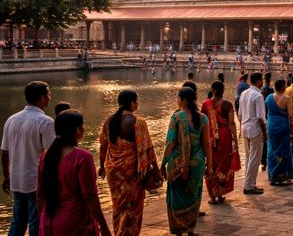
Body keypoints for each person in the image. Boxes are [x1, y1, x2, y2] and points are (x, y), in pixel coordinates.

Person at [37, 110, 112, 236]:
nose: (84, 128)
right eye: (82, 125)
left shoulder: (46, 155)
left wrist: (43, 220)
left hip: (49, 220)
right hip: (75, 222)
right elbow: (90, 196)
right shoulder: (82, 157)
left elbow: (40, 194)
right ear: (77, 130)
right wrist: (103, 226)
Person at [99, 90, 159, 235]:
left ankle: (119, 230)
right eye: (136, 101)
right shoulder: (138, 122)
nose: (138, 103)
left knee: (118, 206)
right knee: (132, 208)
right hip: (131, 172)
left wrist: (101, 166)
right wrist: (156, 168)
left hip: (113, 172)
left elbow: (103, 146)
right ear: (132, 103)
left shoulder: (109, 121)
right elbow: (148, 149)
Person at [2, 81, 55, 236]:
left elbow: (5, 153)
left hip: (16, 179)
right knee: (36, 222)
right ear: (42, 98)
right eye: (48, 94)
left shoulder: (11, 119)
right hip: (35, 181)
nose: (49, 97)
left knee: (17, 222)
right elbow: (51, 156)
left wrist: (7, 176)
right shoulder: (45, 122)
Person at [161, 87, 211, 236]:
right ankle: (190, 230)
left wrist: (162, 163)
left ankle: (178, 230)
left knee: (177, 197)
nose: (177, 101)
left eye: (178, 98)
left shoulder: (176, 118)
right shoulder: (203, 118)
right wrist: (210, 165)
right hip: (197, 163)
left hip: (177, 164)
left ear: (184, 100)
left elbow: (170, 143)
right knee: (193, 196)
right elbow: (206, 144)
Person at [201, 81, 239, 204]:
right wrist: (236, 141)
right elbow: (232, 123)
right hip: (224, 136)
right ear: (223, 90)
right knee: (224, 163)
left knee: (211, 163)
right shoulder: (227, 105)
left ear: (212, 90)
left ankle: (213, 194)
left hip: (210, 137)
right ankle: (221, 192)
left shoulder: (205, 104)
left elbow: (202, 123)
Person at [238, 72, 266, 194]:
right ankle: (249, 186)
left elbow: (239, 114)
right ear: (259, 81)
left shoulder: (244, 93)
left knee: (249, 157)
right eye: (262, 80)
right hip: (255, 129)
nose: (263, 82)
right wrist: (265, 132)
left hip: (245, 127)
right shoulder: (258, 96)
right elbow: (260, 117)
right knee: (255, 158)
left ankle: (248, 182)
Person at [265, 79, 293, 185]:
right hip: (282, 125)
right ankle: (283, 176)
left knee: (272, 149)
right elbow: (291, 115)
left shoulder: (268, 98)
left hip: (271, 124)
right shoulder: (287, 98)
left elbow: (266, 111)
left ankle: (273, 176)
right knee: (284, 149)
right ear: (282, 87)